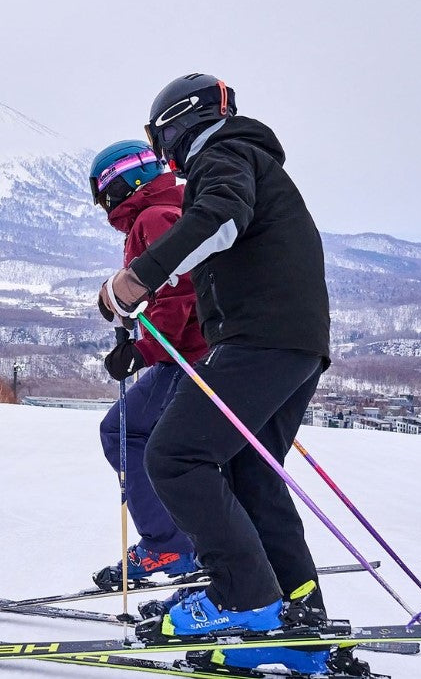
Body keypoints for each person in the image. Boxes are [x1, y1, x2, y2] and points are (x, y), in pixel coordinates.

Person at [98, 74, 332, 675]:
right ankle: (299, 623)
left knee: (175, 457)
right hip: (293, 343)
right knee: (250, 472)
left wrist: (135, 279)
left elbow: (222, 219)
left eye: (161, 139)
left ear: (177, 125)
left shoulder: (224, 153)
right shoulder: (250, 156)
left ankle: (243, 600)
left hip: (260, 339)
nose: (165, 154)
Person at [87, 141, 207, 589]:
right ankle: (182, 544)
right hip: (192, 353)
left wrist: (143, 351)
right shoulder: (173, 207)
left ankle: (167, 546)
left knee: (126, 431)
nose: (103, 205)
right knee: (150, 435)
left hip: (187, 357)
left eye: (104, 192)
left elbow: (181, 290)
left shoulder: (154, 217)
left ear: (124, 183)